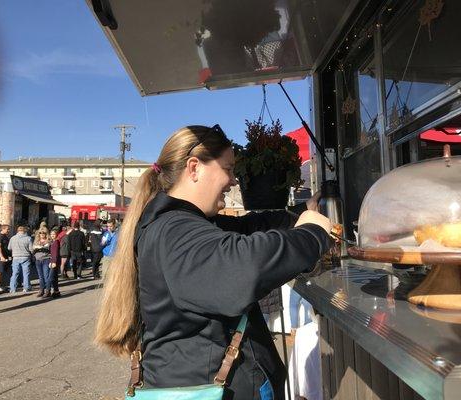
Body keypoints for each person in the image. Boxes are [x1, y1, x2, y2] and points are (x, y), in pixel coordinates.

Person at [94, 125, 335, 399]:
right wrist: (312, 235)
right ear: (194, 168)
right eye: (228, 169)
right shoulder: (174, 231)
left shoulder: (188, 224)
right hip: (203, 388)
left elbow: (250, 227)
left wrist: (302, 212)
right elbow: (243, 268)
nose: (234, 181)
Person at [8, 225, 34, 293]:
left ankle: (12, 288)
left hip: (16, 257)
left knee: (15, 273)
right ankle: (26, 287)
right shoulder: (28, 238)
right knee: (26, 273)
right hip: (25, 257)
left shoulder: (12, 238)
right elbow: (31, 249)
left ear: (17, 231)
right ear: (25, 231)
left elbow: (9, 248)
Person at [33, 228, 52, 297]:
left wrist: (40, 249)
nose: (42, 234)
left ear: (46, 234)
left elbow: (49, 251)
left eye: (43, 233)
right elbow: (33, 250)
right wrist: (38, 250)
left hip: (46, 260)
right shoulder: (36, 241)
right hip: (38, 260)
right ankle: (41, 290)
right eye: (40, 233)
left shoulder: (49, 241)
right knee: (40, 277)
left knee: (46, 276)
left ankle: (48, 290)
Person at [0, 224, 11, 292]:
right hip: (0, 256)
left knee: (3, 271)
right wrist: (1, 257)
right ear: (3, 229)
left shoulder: (5, 236)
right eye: (7, 229)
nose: (8, 231)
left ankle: (2, 285)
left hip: (5, 255)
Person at [49, 229, 61, 298]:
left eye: (53, 234)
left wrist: (53, 262)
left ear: (56, 235)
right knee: (54, 277)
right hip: (53, 260)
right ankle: (56, 291)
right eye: (51, 234)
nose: (52, 235)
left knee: (51, 277)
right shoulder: (53, 241)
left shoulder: (56, 242)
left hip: (54, 261)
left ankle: (55, 291)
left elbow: (55, 253)